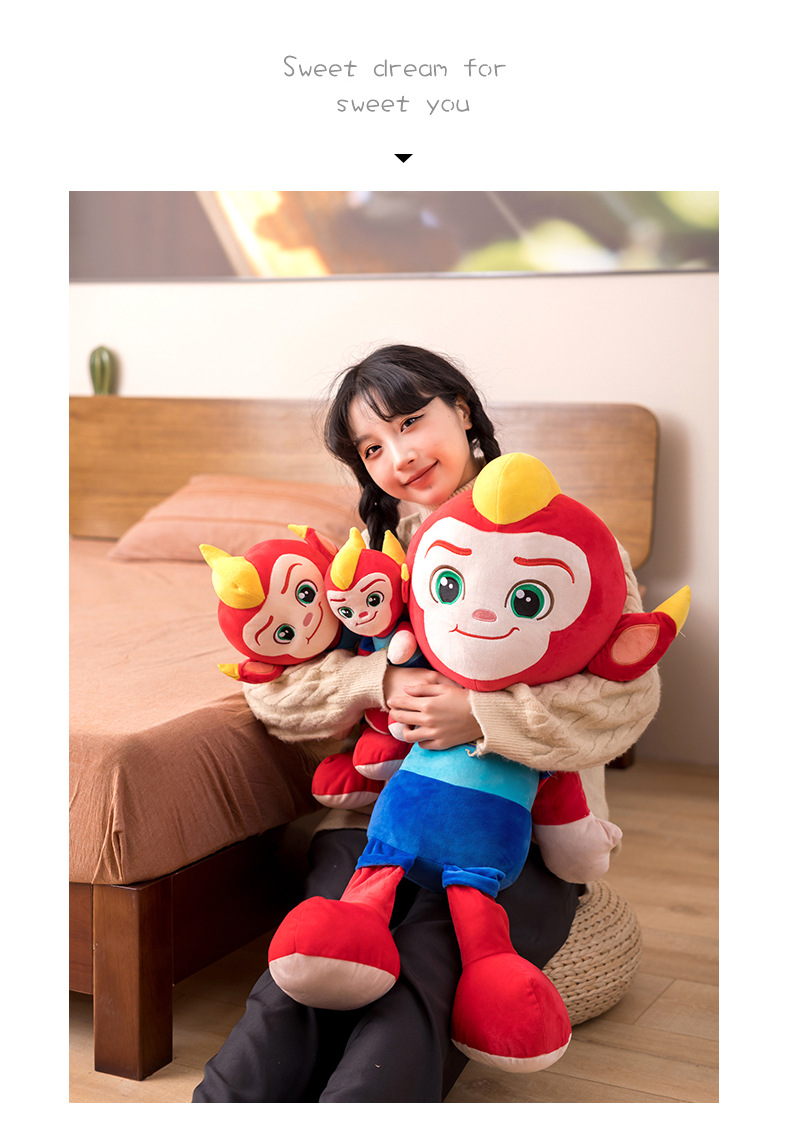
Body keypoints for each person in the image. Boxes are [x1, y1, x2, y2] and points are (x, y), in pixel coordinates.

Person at [192, 344, 660, 1103]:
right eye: (373, 447)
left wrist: (482, 712)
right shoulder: (363, 564)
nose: (400, 456)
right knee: (300, 978)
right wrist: (379, 676)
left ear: (462, 412)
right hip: (379, 824)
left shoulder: (564, 537)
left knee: (422, 972)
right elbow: (273, 691)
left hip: (520, 837)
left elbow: (627, 701)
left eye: (411, 422)